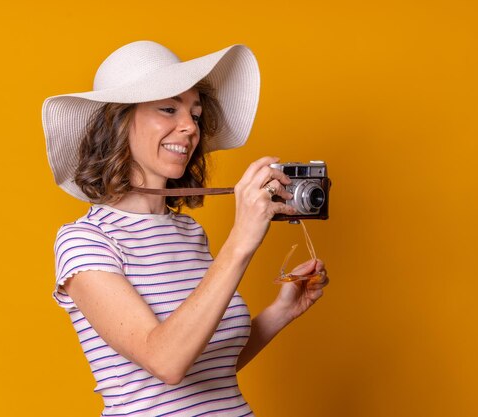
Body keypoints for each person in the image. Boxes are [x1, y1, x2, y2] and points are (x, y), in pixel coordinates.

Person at [42, 40, 329, 416]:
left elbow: (207, 366)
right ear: (117, 122)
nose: (189, 128)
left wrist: (281, 312)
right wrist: (241, 241)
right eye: (167, 109)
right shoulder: (86, 241)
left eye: (194, 114)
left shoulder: (189, 233)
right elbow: (166, 362)